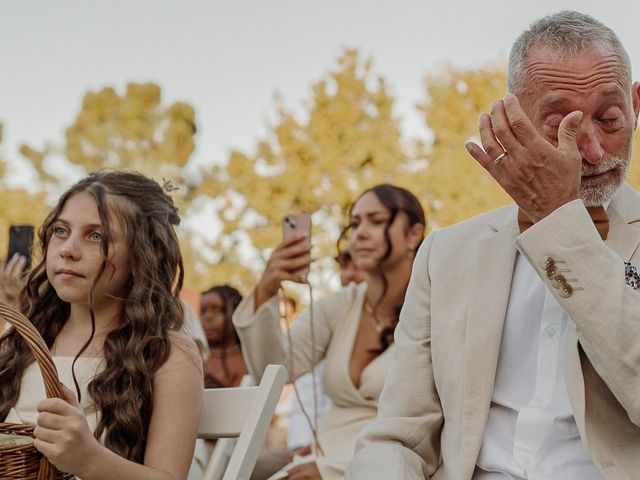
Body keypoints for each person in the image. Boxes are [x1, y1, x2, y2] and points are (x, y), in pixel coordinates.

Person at [347, 10, 640, 480]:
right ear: (511, 121)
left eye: (610, 118)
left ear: (637, 105)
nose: (592, 149)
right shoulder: (446, 255)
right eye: (561, 123)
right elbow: (398, 435)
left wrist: (560, 228)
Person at [0, 171, 203, 479]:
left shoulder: (168, 354)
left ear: (141, 256)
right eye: (61, 231)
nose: (68, 248)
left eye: (96, 236)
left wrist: (89, 459)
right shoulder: (21, 339)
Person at [233, 184, 426, 480]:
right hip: (318, 458)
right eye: (355, 223)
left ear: (414, 234)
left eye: (376, 221)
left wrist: (335, 469)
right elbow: (274, 370)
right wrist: (267, 288)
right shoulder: (339, 306)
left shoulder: (435, 307)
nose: (360, 233)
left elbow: (434, 421)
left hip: (393, 464)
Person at [199, 284, 247, 388]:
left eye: (217, 310)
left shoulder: (248, 362)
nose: (208, 317)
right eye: (203, 311)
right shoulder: (196, 359)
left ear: (236, 314)